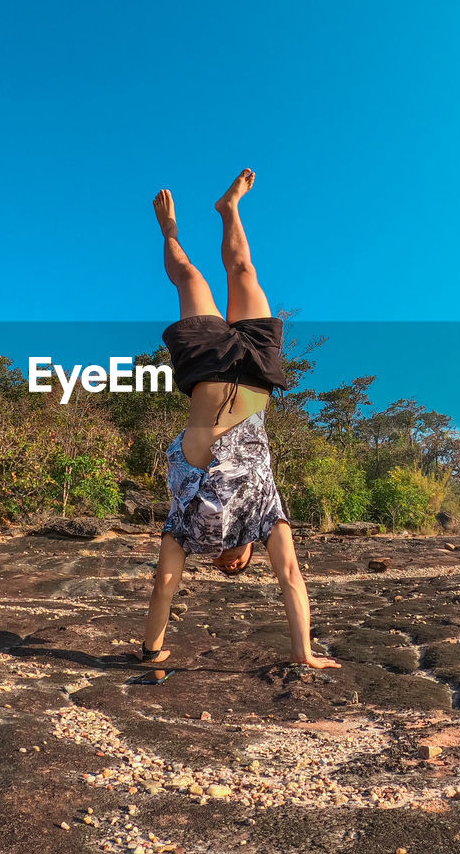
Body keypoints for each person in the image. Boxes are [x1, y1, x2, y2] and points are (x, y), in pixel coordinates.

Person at [139, 169, 342, 670]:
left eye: (224, 566)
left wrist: (151, 650)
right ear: (250, 554)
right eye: (239, 565)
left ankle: (170, 231)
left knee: (191, 277)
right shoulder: (266, 513)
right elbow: (291, 576)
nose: (230, 563)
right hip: (255, 373)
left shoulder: (186, 523)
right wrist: (304, 654)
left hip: (207, 363)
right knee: (244, 271)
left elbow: (165, 582)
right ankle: (230, 209)